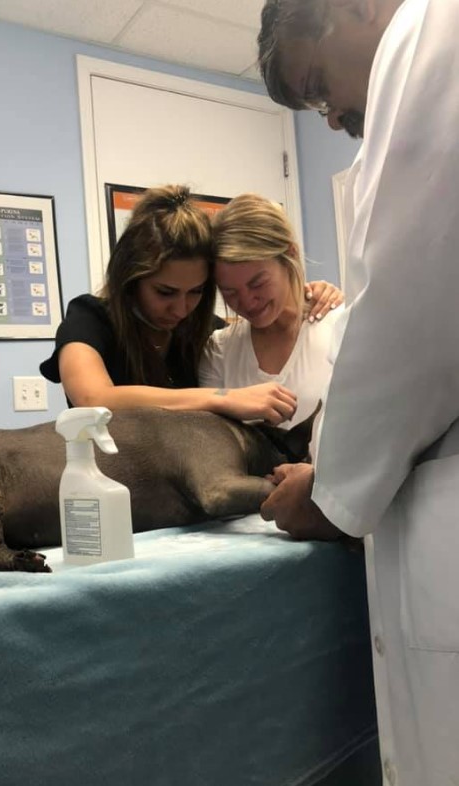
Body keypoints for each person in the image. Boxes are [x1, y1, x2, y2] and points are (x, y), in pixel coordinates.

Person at [256, 1, 459, 784]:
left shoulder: (429, 30)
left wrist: (331, 492)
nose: (334, 117)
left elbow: (414, 309)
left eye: (317, 84)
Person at [41, 184, 338, 424]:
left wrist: (312, 296)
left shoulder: (203, 330)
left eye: (196, 292)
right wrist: (222, 397)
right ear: (130, 279)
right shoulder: (89, 319)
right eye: (165, 292)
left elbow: (259, 322)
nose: (182, 309)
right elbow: (94, 400)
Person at [199, 193, 343, 457]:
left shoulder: (341, 328)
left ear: (290, 254)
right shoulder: (219, 350)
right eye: (229, 292)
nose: (247, 301)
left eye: (257, 283)